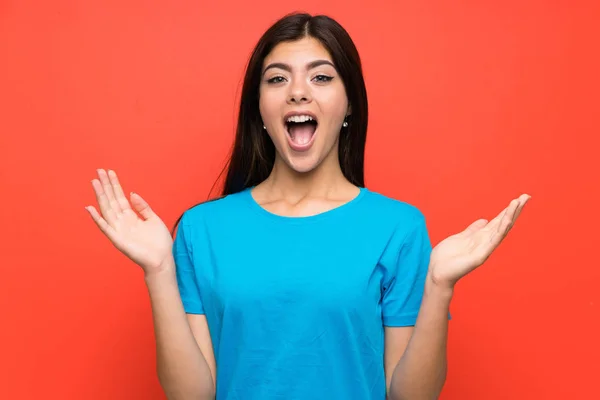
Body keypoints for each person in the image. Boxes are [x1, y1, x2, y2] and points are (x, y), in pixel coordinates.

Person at [85, 12, 530, 400]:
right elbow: (193, 395)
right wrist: (159, 271)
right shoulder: (202, 230)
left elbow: (411, 396)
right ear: (259, 108)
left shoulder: (399, 228)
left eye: (321, 76)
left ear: (350, 101)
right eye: (277, 78)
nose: (298, 92)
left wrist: (438, 286)